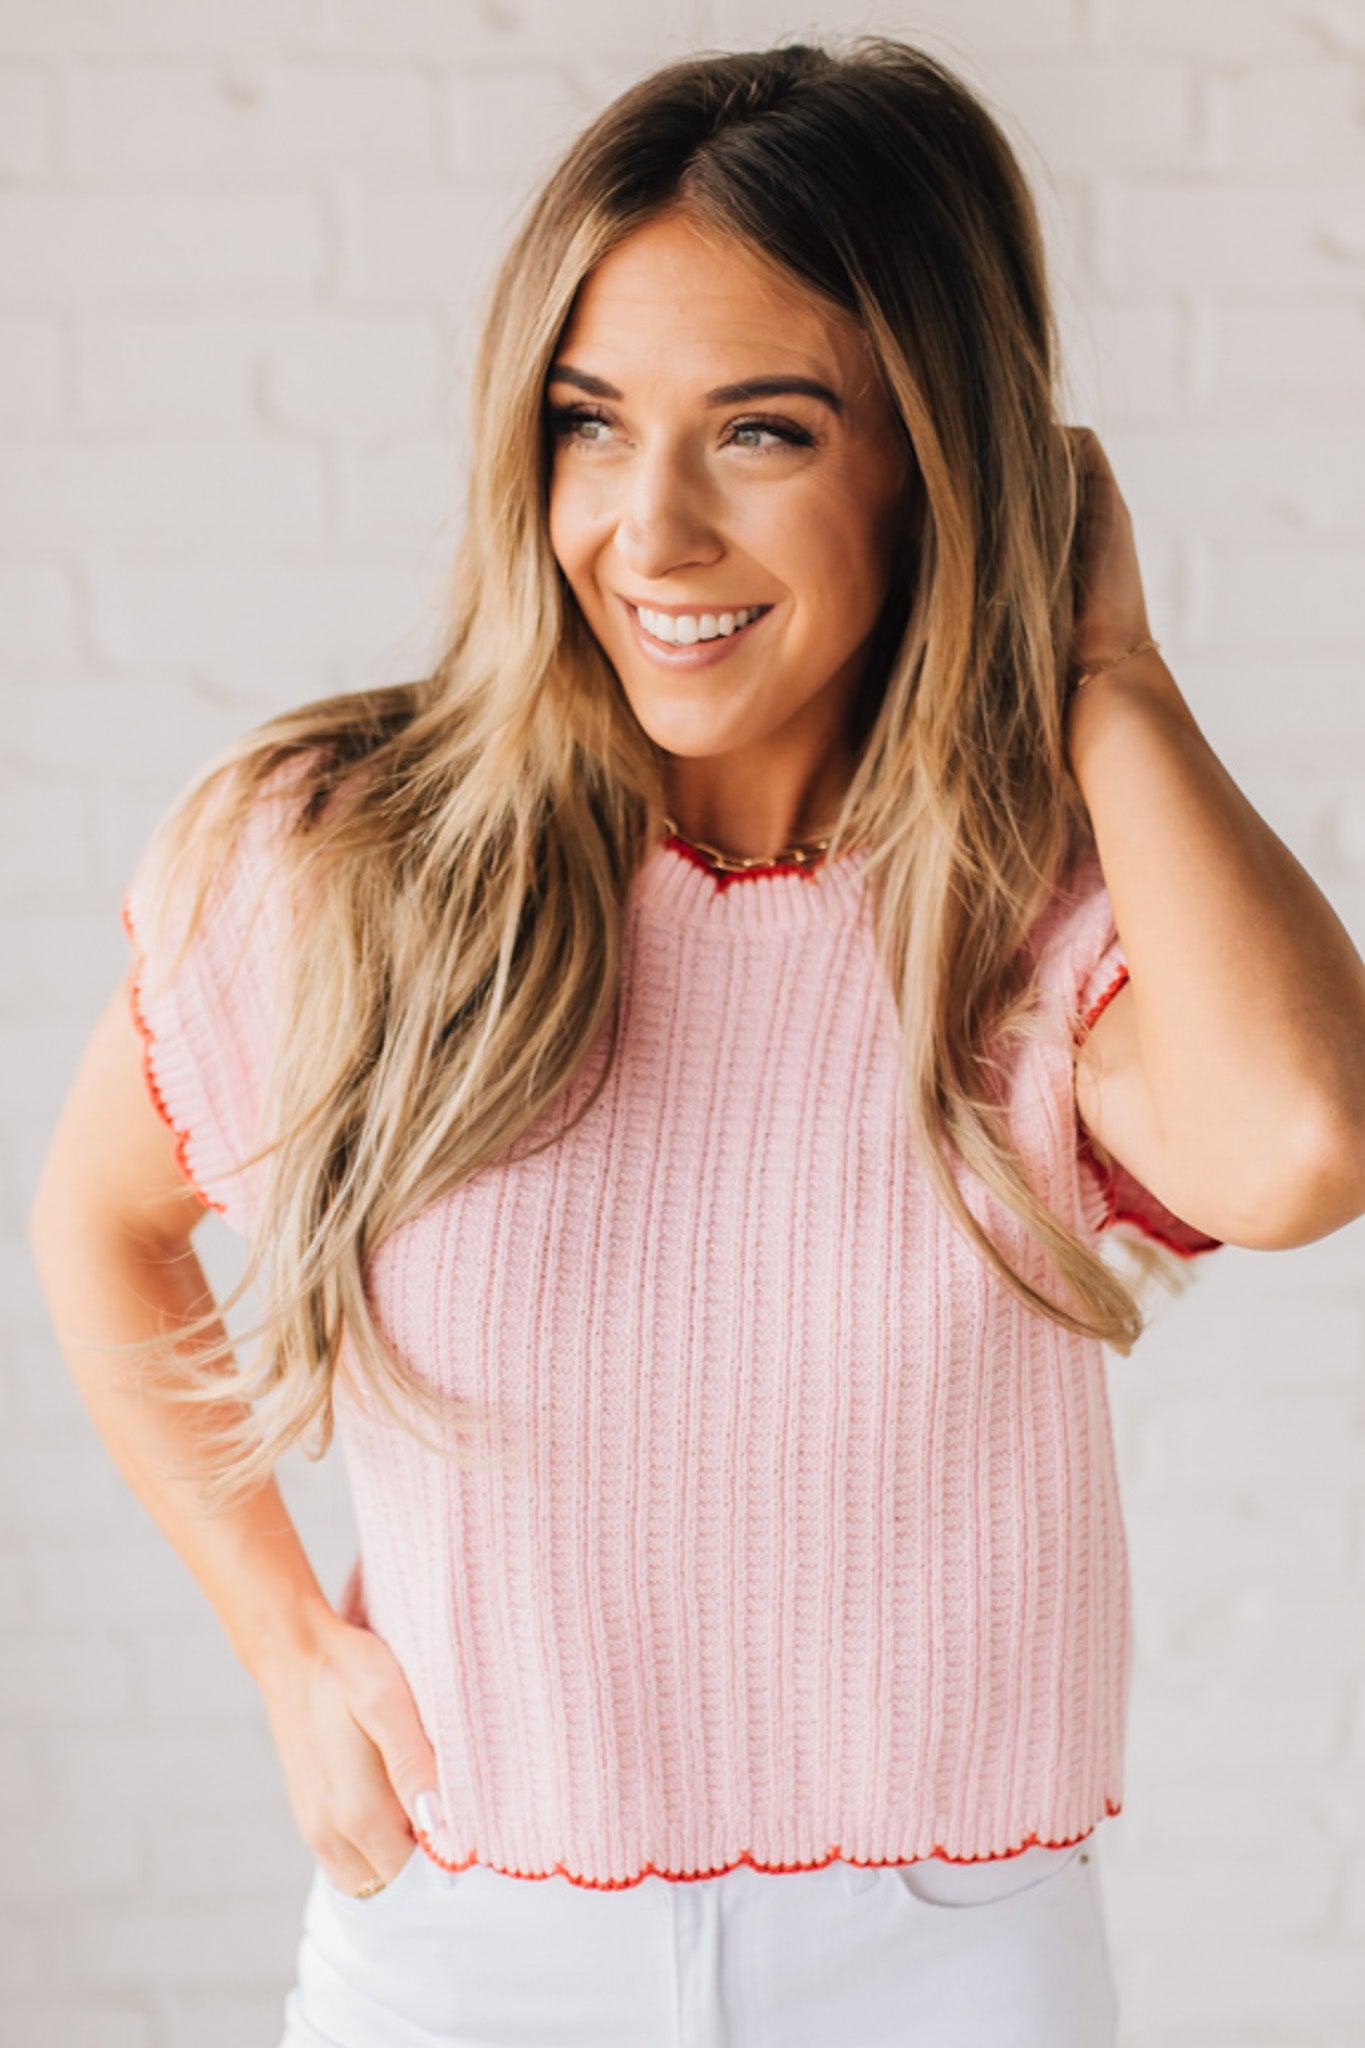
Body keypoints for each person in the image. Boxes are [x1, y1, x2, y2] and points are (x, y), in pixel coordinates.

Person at [29, 34, 1365, 2048]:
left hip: (948, 1958)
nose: (645, 532)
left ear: (932, 456)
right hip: (463, 1955)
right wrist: (288, 1643)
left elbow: (1300, 1139)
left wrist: (1106, 667)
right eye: (587, 423)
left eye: (760, 431)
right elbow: (97, 1227)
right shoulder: (345, 859)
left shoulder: (1030, 915)